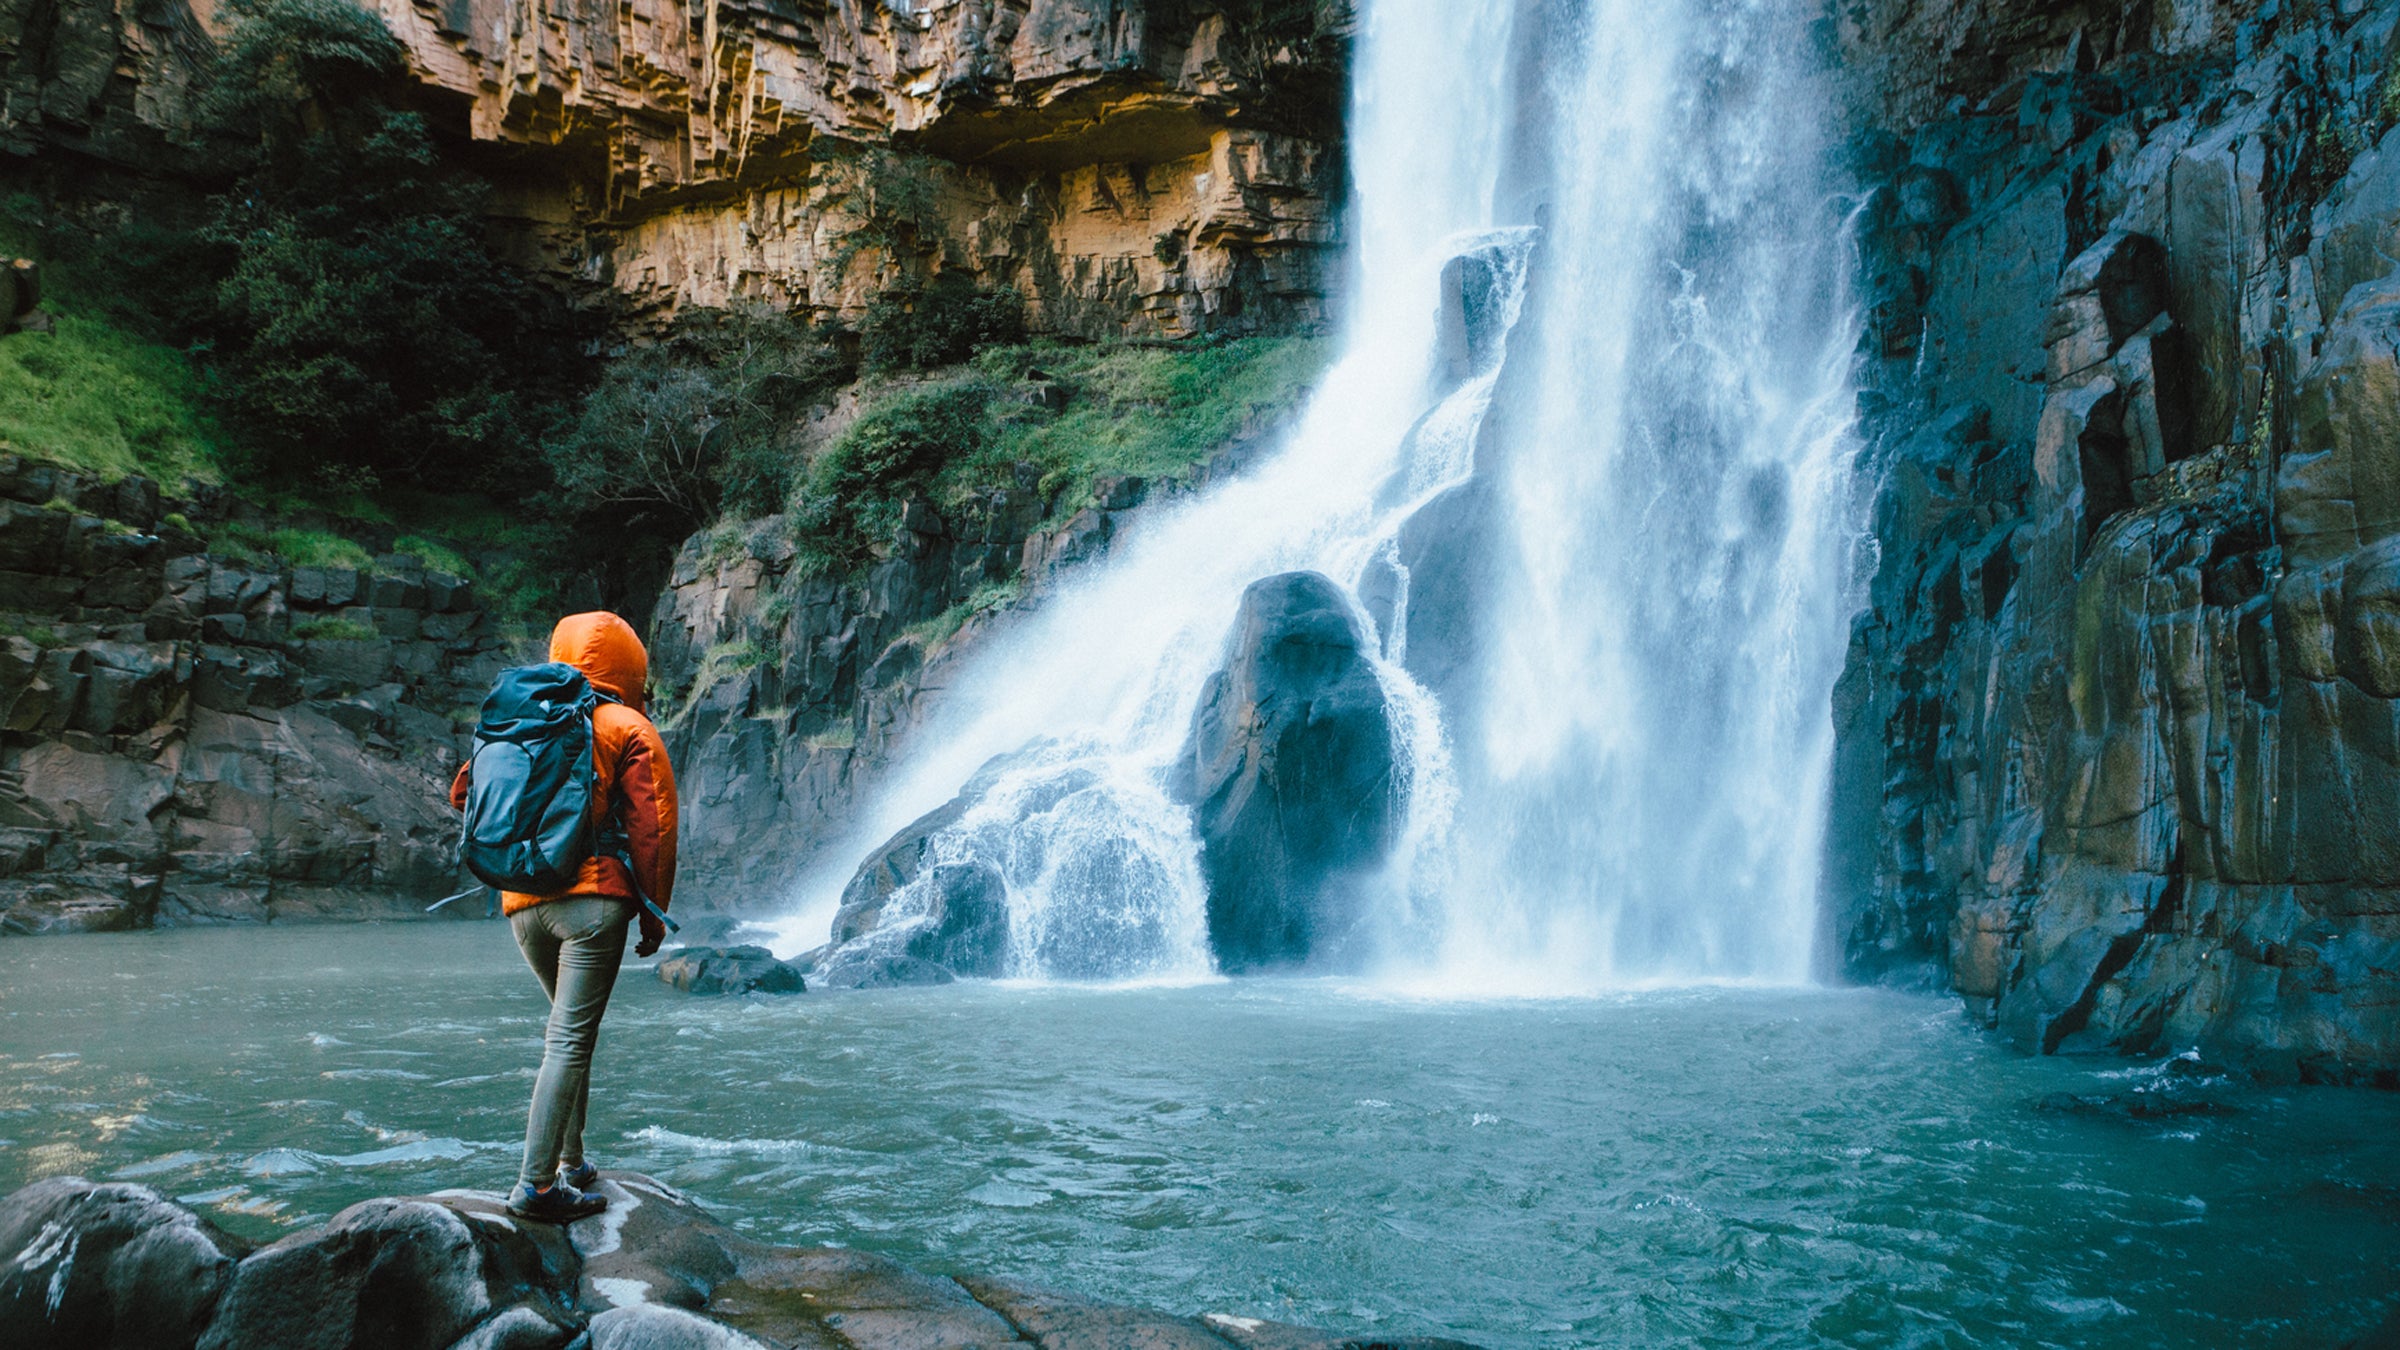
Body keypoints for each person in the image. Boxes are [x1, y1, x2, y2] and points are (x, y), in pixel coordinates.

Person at [450, 611, 678, 1222]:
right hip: (593, 904)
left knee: (567, 1039)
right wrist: (654, 915)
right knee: (570, 1041)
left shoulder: (522, 716)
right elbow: (652, 825)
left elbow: (462, 794)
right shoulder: (626, 725)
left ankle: (572, 1166)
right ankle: (536, 1186)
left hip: (521, 904)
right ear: (631, 666)